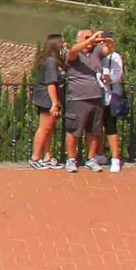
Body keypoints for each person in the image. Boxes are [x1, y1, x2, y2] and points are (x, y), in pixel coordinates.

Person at [61, 28, 108, 172]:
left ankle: (91, 159)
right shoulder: (74, 54)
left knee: (94, 131)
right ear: (79, 39)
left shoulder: (96, 52)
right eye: (86, 37)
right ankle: (71, 159)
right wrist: (92, 39)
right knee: (73, 130)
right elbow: (73, 51)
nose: (91, 40)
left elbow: (108, 50)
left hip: (96, 98)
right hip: (77, 99)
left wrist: (108, 41)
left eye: (91, 37)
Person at [31, 32, 67, 169]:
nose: (64, 45)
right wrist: (55, 103)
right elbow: (51, 83)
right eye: (62, 43)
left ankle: (47, 157)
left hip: (48, 98)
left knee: (49, 129)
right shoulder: (51, 61)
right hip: (47, 99)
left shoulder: (53, 60)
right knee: (44, 128)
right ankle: (35, 157)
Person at [95, 30, 128, 174]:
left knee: (110, 127)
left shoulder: (115, 57)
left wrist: (107, 78)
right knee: (96, 127)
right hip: (96, 96)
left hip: (109, 96)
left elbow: (116, 76)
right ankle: (99, 154)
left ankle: (115, 158)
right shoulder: (96, 55)